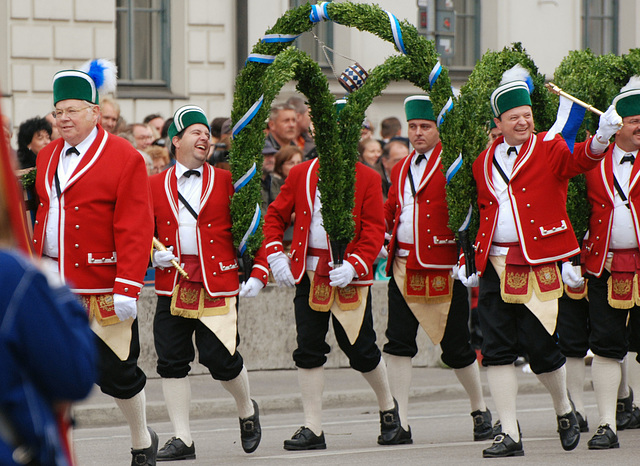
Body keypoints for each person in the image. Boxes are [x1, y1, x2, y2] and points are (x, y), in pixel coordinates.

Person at [461, 64, 614, 458]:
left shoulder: (548, 147)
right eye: (514, 118)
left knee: (542, 348)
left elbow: (578, 162)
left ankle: (563, 407)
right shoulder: (483, 160)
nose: (523, 122)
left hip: (538, 259)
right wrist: (471, 258)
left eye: (527, 116)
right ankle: (509, 431)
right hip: (495, 262)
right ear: (498, 123)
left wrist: (601, 137)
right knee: (495, 349)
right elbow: (483, 211)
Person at [32, 61, 158, 465]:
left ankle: (141, 439)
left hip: (103, 281)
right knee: (49, 368)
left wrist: (128, 285)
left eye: (71, 110)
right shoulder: (47, 155)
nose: (63, 119)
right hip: (53, 281)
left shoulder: (124, 156)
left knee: (117, 373)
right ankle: (56, 451)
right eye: (58, 112)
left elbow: (136, 225)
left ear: (93, 110)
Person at [258, 100, 401, 450]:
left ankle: (388, 409)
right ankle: (313, 426)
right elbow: (275, 215)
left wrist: (355, 264)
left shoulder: (365, 176)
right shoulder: (301, 173)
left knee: (362, 351)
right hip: (309, 274)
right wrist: (276, 254)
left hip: (348, 274)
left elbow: (372, 230)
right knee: (308, 349)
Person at [149, 105, 267, 460]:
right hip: (173, 283)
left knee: (221, 359)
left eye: (207, 133)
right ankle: (182, 438)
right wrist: (149, 256)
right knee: (171, 361)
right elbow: (139, 232)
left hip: (218, 280)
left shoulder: (230, 181)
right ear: (176, 141)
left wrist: (259, 271)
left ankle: (247, 409)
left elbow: (254, 230)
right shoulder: (153, 185)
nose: (204, 138)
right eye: (195, 132)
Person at [382, 95, 493, 445]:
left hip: (444, 266)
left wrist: (467, 256)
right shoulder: (399, 168)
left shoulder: (456, 162)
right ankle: (399, 420)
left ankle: (479, 409)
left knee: (457, 347)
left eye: (425, 127)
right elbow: (392, 208)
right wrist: (383, 234)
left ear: (438, 128)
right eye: (413, 126)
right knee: (398, 344)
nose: (417, 133)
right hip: (403, 266)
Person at [581, 76, 640, 449]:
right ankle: (607, 423)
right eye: (636, 121)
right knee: (604, 345)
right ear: (619, 124)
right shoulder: (590, 162)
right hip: (604, 265)